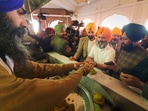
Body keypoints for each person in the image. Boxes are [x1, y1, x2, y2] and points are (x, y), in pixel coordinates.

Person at [0, 0, 94, 111]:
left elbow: (36, 69)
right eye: (20, 12)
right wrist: (81, 71)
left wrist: (72, 66)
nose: (24, 23)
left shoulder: (4, 55)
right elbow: (36, 92)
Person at [106, 23, 148, 99]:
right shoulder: (125, 48)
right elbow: (120, 69)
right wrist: (115, 68)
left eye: (125, 39)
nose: (122, 41)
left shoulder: (145, 58)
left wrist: (140, 84)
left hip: (133, 97)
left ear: (135, 41)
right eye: (122, 38)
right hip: (115, 88)